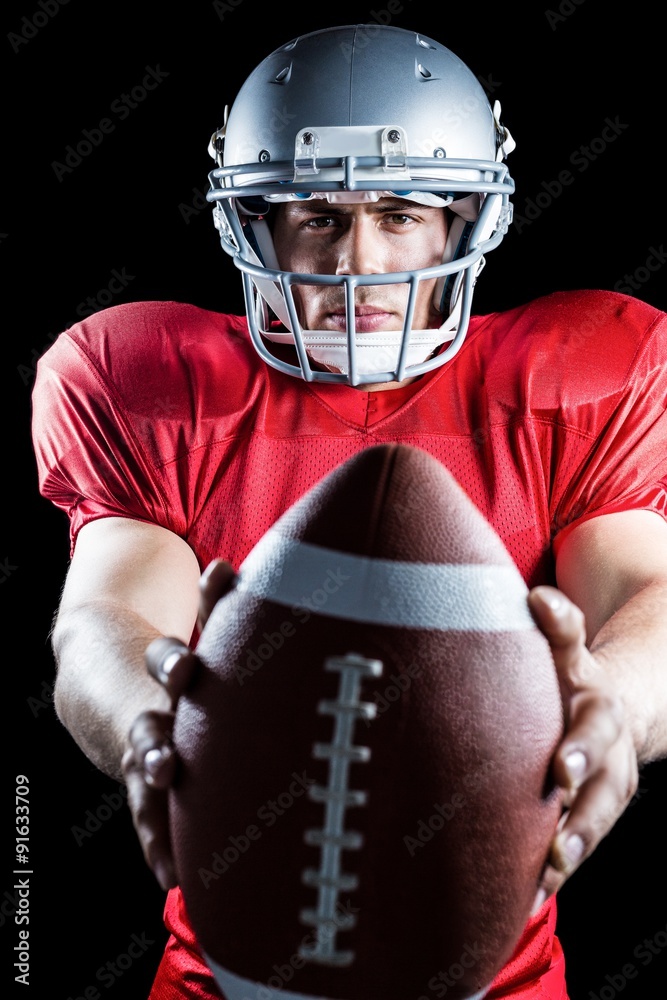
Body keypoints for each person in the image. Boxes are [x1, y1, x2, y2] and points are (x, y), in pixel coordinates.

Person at [30, 22, 667, 1000]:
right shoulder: (147, 379)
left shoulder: (574, 374)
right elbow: (103, 619)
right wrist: (152, 726)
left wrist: (603, 715)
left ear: (464, 221)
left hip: (495, 975)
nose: (358, 260)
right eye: (317, 215)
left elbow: (648, 594)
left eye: (401, 211)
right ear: (256, 225)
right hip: (225, 969)